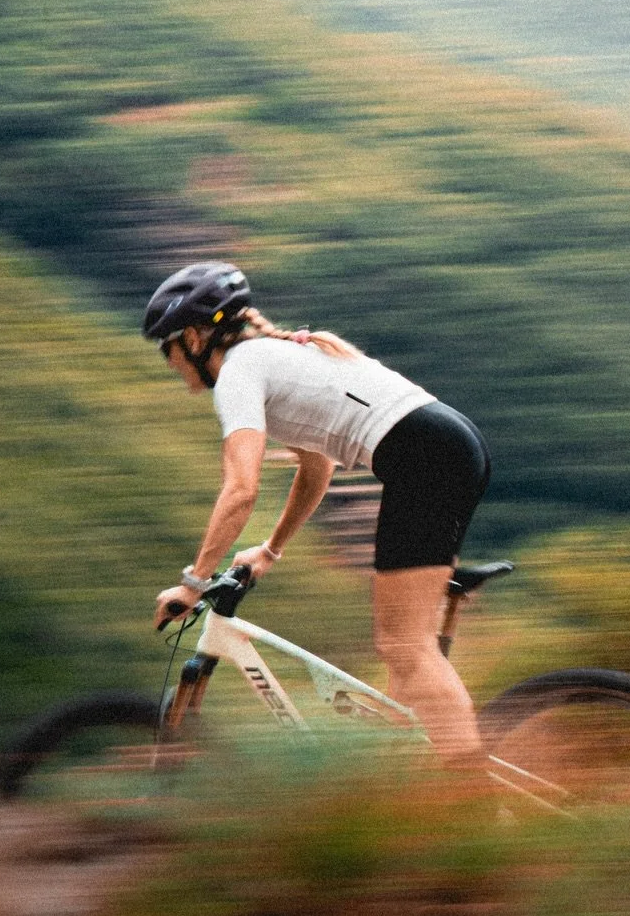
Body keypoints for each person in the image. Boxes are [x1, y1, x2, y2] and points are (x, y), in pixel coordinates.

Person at [144, 260, 491, 763]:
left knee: (405, 647)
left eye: (167, 347)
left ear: (194, 338)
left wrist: (193, 582)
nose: (168, 361)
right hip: (446, 446)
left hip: (425, 457)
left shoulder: (240, 370)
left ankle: (473, 788)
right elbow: (316, 467)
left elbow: (240, 490)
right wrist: (270, 550)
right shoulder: (271, 358)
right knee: (402, 668)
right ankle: (422, 785)